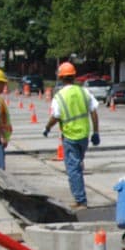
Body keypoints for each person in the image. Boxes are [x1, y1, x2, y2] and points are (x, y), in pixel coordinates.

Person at [46, 61, 100, 206]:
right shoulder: (84, 91)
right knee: (77, 165)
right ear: (74, 76)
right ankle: (80, 193)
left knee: (73, 169)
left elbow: (55, 116)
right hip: (84, 136)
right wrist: (96, 132)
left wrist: (47, 127)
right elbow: (94, 111)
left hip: (70, 137)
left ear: (61, 78)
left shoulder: (60, 96)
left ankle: (80, 200)